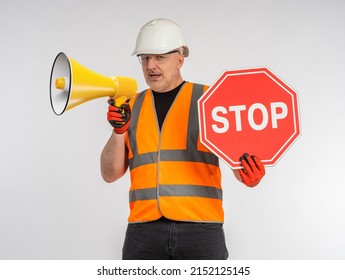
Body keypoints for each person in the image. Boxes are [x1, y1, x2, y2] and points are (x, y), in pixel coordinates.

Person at [100, 18, 265, 260]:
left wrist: (249, 173)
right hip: (143, 230)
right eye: (145, 58)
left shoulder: (211, 101)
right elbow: (109, 174)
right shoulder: (130, 105)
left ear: (180, 59)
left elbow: (240, 164)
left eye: (160, 57)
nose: (151, 65)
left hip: (201, 228)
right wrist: (118, 131)